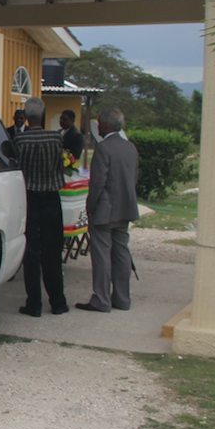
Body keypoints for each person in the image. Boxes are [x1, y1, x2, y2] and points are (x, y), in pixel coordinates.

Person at [76, 108, 139, 313]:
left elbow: (98, 183)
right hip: (125, 208)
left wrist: (90, 206)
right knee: (121, 253)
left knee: (102, 255)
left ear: (104, 126)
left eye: (99, 124)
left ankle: (101, 299)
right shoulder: (130, 147)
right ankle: (122, 298)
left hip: (105, 210)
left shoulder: (103, 148)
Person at [14, 98, 68, 317]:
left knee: (31, 252)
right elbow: (59, 166)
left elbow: (17, 168)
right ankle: (58, 302)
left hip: (29, 198)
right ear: (43, 114)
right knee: (52, 250)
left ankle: (34, 304)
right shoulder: (55, 138)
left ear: (26, 117)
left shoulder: (19, 139)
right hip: (51, 197)